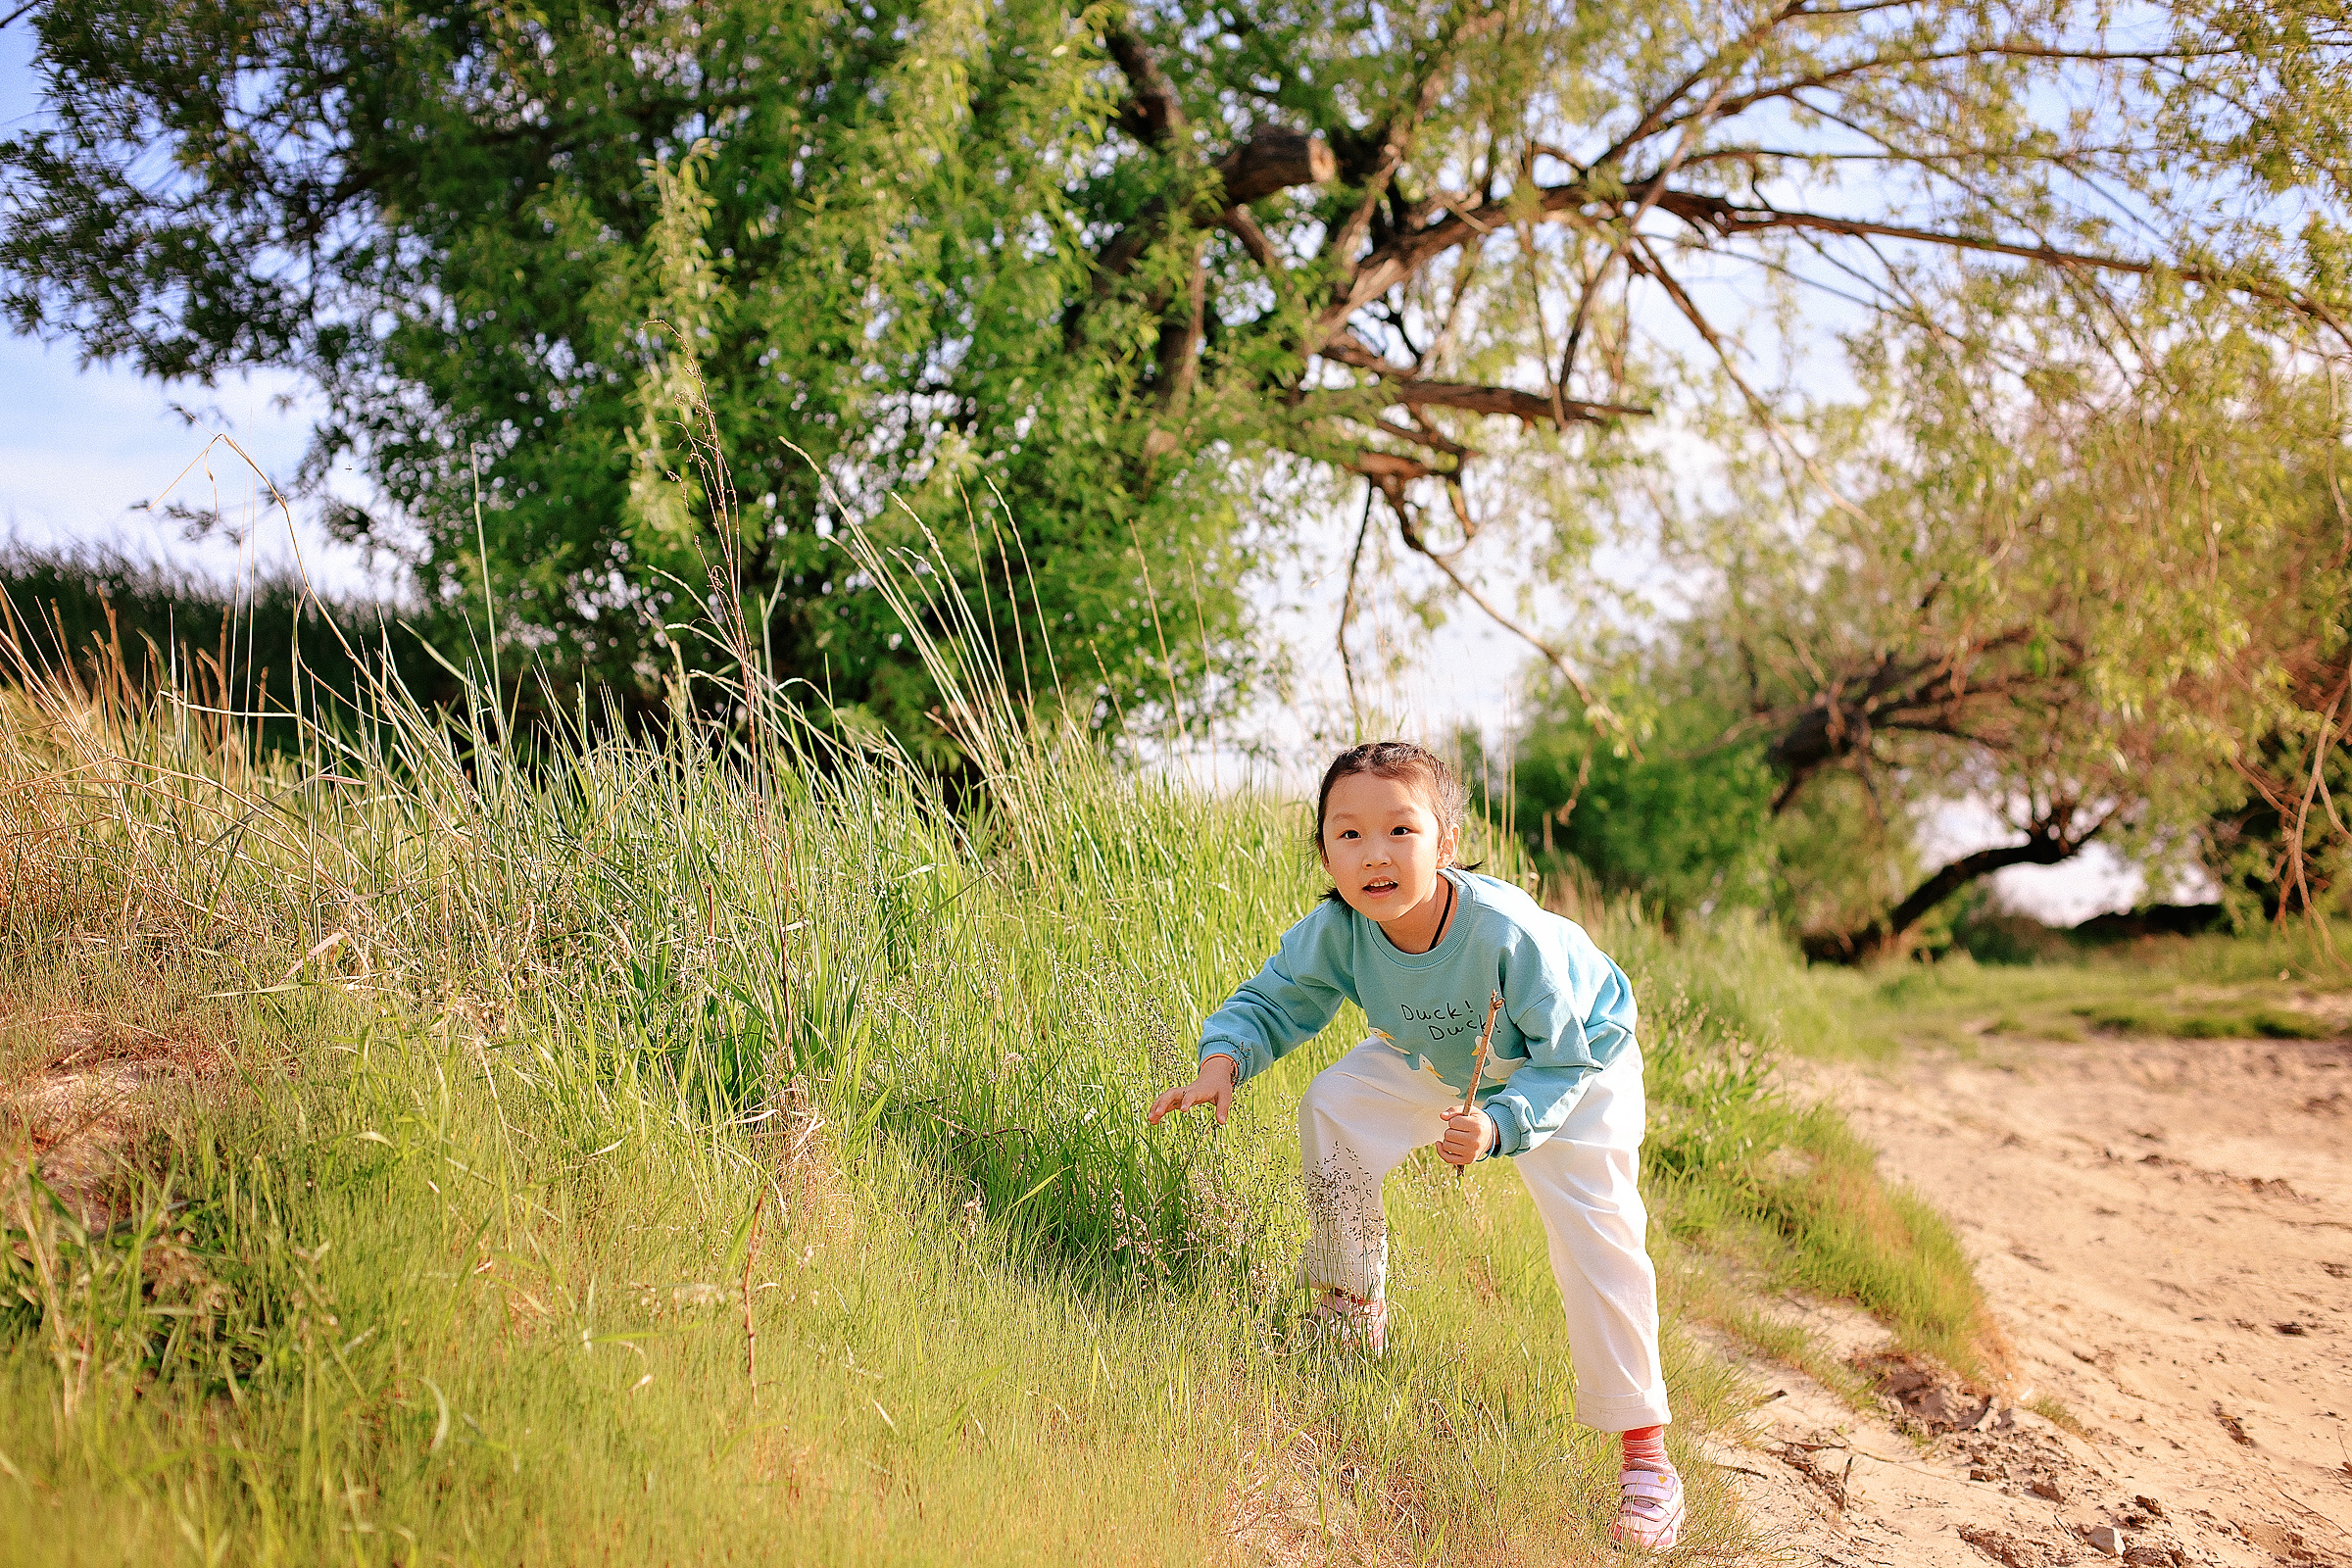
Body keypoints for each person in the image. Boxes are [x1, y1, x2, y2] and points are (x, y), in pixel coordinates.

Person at [1146, 740, 1681, 1551]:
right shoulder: (1339, 930)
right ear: (1325, 851)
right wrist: (1223, 1061)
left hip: (1574, 1066)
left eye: (1401, 830)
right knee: (1334, 1104)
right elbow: (1274, 999)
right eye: (1347, 835)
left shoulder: (1506, 932)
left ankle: (1645, 1455)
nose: (1375, 854)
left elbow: (1564, 1055)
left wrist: (1500, 1127)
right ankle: (1350, 1304)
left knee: (1597, 1235)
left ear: (1446, 845)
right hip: (1442, 1053)